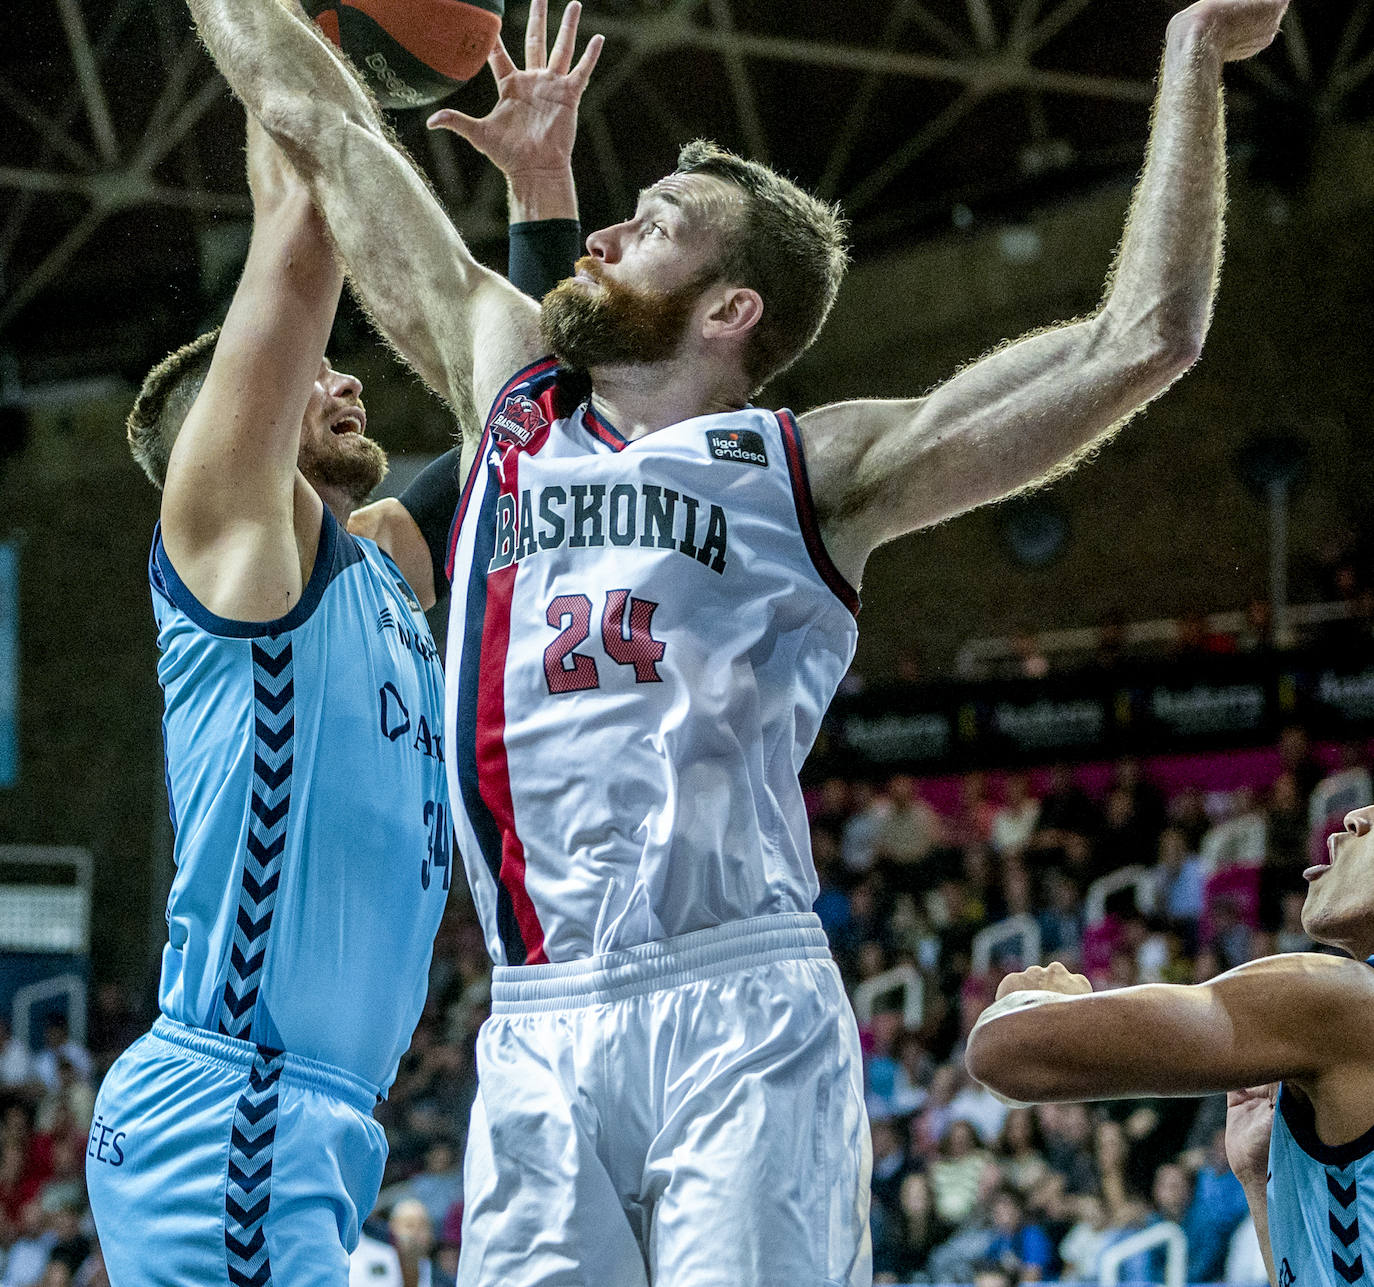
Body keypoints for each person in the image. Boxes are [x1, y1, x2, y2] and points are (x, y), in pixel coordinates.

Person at [183, 0, 1287, 1282]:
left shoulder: (810, 469)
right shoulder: (511, 399)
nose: (600, 229)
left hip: (741, 1008)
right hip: (536, 1017)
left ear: (730, 308)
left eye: (650, 227)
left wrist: (1193, 53)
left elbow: (1139, 339)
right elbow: (327, 127)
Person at [85, 9, 593, 1282]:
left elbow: (534, 428)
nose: (345, 380)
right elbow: (299, 247)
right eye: (310, 375)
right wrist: (298, 47)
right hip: (233, 1109)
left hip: (302, 1116)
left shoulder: (369, 563)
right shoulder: (231, 538)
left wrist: (540, 191)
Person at [966, 803, 1374, 1287]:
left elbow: (1006, 1050)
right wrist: (1261, 1187)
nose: (1356, 818)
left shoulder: (1339, 997)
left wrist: (1041, 1002)